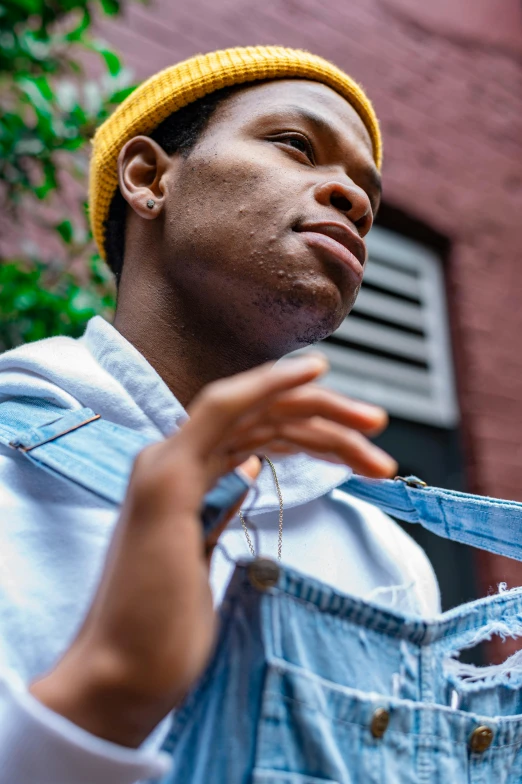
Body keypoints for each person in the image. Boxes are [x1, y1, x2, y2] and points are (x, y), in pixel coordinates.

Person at [0, 46, 440, 783]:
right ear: (148, 178)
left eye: (368, 193)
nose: (354, 200)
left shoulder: (389, 558)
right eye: (296, 145)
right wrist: (106, 696)